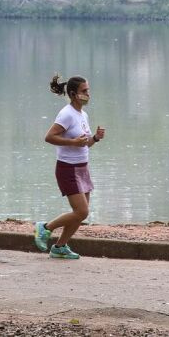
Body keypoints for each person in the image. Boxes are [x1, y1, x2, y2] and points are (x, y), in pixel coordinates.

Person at [34, 75, 105, 260]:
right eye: (84, 91)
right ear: (73, 94)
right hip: (67, 169)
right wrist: (72, 142)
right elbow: (49, 137)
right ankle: (45, 227)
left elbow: (85, 144)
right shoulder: (66, 114)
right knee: (82, 211)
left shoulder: (83, 115)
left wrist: (95, 138)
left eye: (88, 90)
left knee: (79, 215)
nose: (88, 94)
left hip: (82, 168)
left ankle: (60, 247)